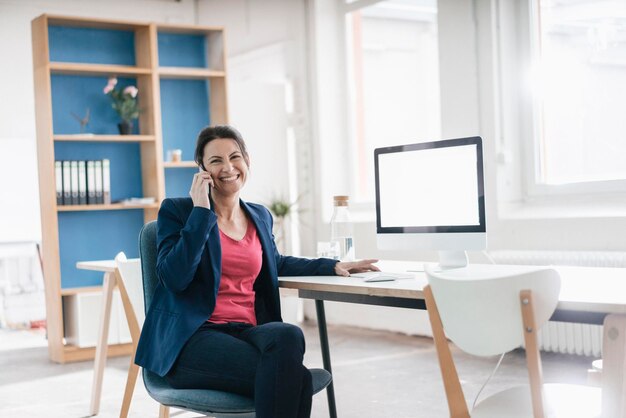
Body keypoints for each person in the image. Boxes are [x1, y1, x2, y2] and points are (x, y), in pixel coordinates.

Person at [134, 125, 379, 418]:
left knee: (288, 335)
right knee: (295, 379)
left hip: (245, 332)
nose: (228, 167)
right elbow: (175, 278)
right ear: (202, 170)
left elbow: (276, 263)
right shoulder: (178, 211)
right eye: (215, 161)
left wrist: (331, 265)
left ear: (247, 161)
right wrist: (201, 212)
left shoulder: (259, 215)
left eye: (235, 156)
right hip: (192, 341)